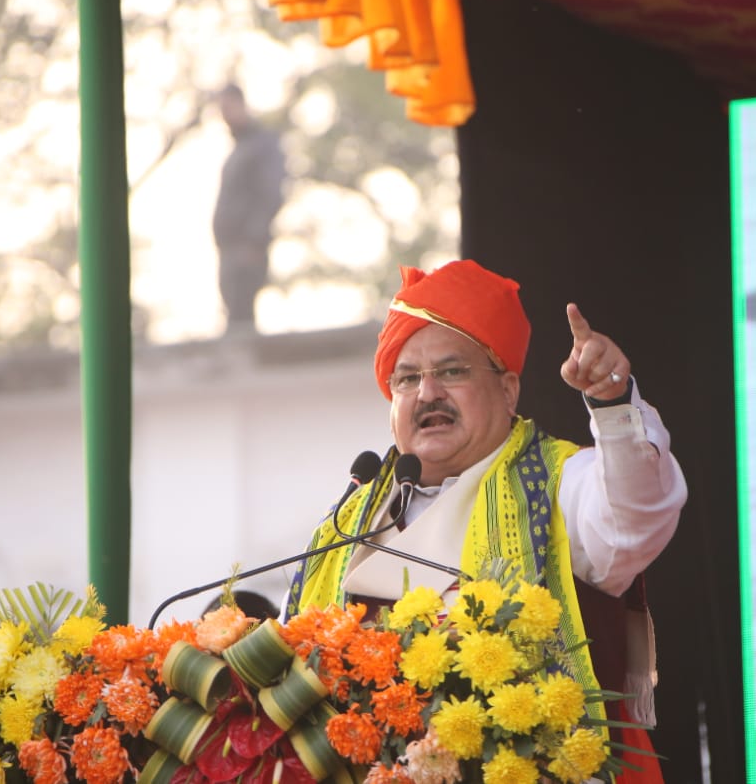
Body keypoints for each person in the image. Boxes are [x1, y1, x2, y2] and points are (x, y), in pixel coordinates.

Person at [283, 259, 686, 782]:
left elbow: (638, 517)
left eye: (452, 371)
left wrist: (611, 405)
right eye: (407, 379)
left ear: (508, 390)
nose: (427, 394)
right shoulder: (347, 522)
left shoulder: (562, 481)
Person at [211, 83, 286, 332]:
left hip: (246, 248)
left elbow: (270, 194)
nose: (225, 114)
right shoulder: (239, 148)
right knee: (234, 316)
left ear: (241, 104)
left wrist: (254, 240)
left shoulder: (261, 144)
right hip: (229, 248)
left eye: (228, 106)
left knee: (242, 316)